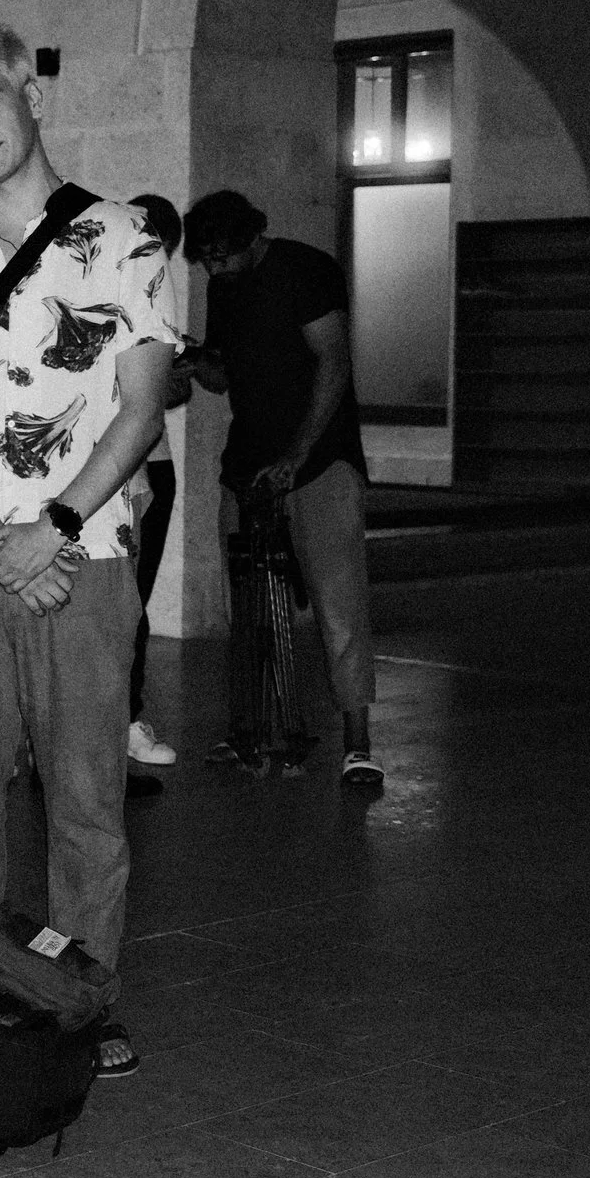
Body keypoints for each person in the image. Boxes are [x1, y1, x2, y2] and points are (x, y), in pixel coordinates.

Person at [0, 22, 177, 1079]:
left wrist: (46, 527)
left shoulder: (125, 239)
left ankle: (84, 998)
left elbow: (140, 409)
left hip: (81, 553)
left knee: (87, 798)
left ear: (28, 97)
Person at [182, 188, 381, 786]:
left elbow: (333, 363)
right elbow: (224, 374)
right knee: (246, 609)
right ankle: (250, 731)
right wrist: (192, 360)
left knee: (338, 604)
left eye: (222, 256)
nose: (213, 269)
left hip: (320, 461)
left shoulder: (307, 269)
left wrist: (297, 456)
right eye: (206, 259)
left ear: (252, 240)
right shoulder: (224, 285)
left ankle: (358, 742)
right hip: (247, 463)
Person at [125, 195, 192, 773]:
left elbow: (176, 389)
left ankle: (126, 718)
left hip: (153, 463)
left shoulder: (155, 289)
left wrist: (171, 377)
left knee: (133, 602)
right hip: (101, 463)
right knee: (97, 599)